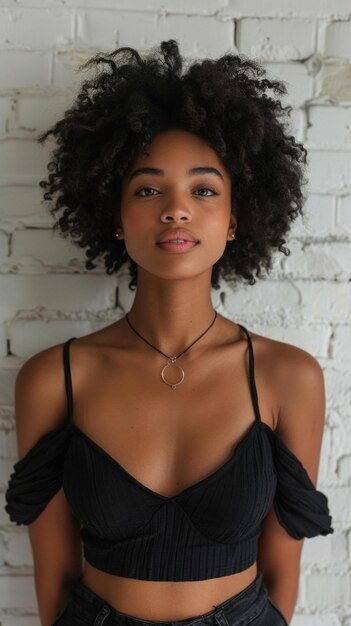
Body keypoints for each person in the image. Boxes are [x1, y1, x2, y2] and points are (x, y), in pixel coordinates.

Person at [5, 39, 333, 626]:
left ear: (234, 220)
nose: (176, 210)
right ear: (116, 215)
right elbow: (53, 575)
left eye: (203, 190)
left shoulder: (289, 377)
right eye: (149, 189)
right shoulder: (57, 378)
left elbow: (283, 572)